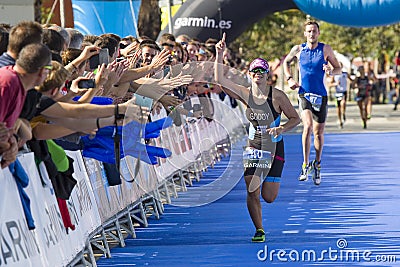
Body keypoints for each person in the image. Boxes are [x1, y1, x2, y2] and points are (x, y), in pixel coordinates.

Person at [215, 33, 300, 242]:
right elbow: (219, 80)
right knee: (252, 190)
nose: (258, 73)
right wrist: (219, 54)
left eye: (262, 70)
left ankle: (262, 212)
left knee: (268, 197)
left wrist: (281, 129)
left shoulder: (278, 96)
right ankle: (259, 229)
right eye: (255, 70)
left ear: (267, 74)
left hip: (275, 147)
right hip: (254, 147)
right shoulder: (245, 94)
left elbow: (295, 119)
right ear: (250, 74)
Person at [283, 19, 341, 185]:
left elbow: (338, 69)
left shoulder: (325, 49)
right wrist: (289, 79)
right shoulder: (298, 49)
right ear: (305, 33)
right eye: (309, 31)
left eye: (314, 31)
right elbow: (286, 62)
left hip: (321, 95)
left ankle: (318, 163)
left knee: (318, 133)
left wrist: (331, 70)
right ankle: (305, 164)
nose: (311, 34)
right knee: (307, 126)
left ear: (318, 33)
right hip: (304, 94)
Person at [329, 63, 350, 128]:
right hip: (337, 92)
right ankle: (340, 120)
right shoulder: (334, 74)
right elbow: (330, 84)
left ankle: (343, 114)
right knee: (338, 108)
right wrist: (336, 84)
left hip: (344, 91)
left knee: (343, 104)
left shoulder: (345, 74)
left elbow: (351, 80)